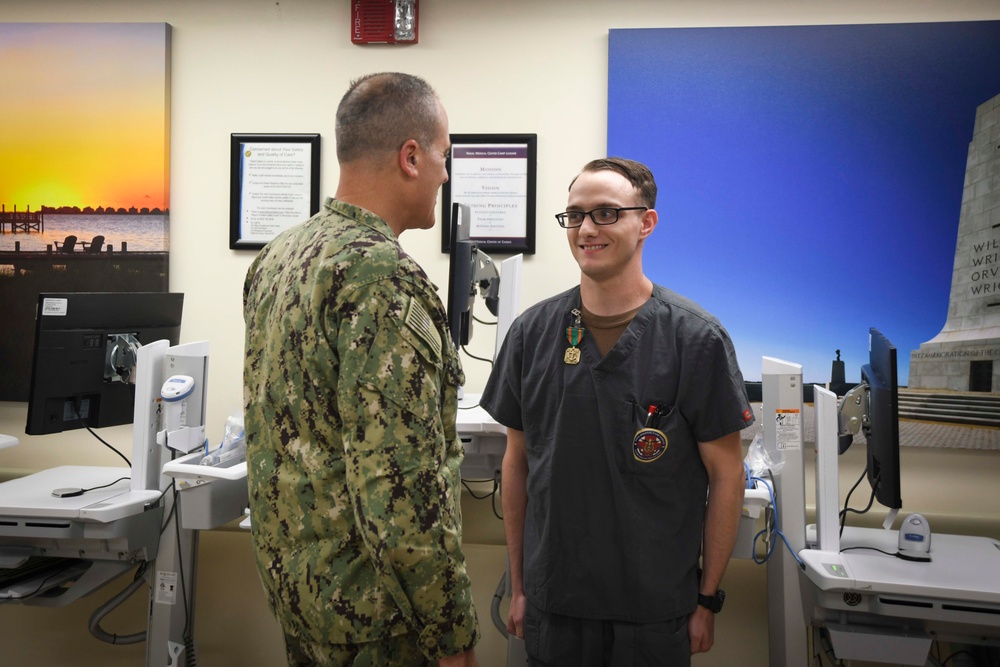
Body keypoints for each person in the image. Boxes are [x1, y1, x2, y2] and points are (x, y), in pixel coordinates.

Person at [243, 72, 480, 667]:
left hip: (304, 596)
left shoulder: (281, 255)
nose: (445, 176)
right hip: (379, 621)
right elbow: (399, 483)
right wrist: (451, 635)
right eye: (443, 158)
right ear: (410, 156)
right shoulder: (378, 275)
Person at [480, 157, 754, 666]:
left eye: (606, 213)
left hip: (654, 611)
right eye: (575, 215)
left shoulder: (695, 340)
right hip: (555, 604)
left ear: (645, 222)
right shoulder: (531, 334)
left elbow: (727, 474)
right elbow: (516, 464)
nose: (586, 229)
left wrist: (707, 598)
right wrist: (519, 587)